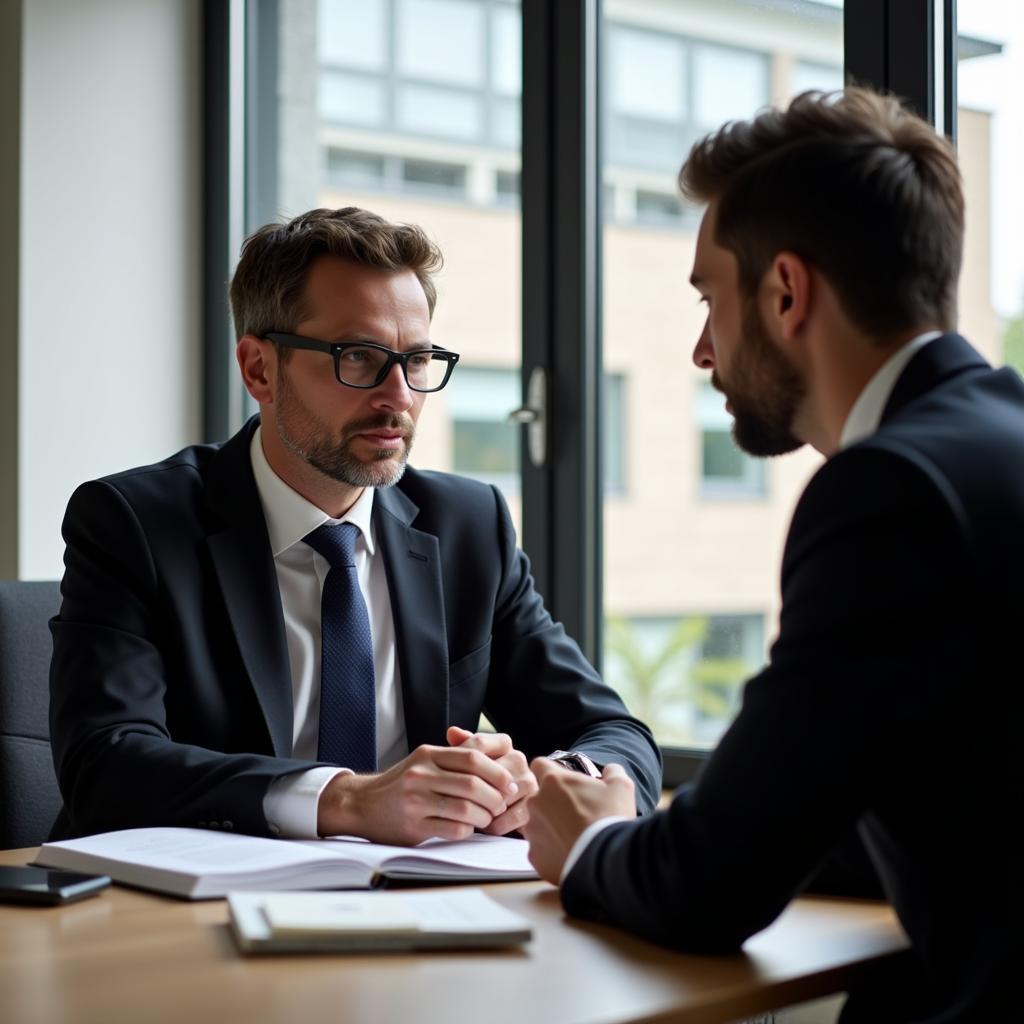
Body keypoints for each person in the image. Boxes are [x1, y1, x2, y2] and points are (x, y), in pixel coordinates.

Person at [521, 87, 1024, 1022]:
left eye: (711, 297)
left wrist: (591, 845)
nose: (704, 350)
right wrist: (707, 826)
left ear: (786, 292)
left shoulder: (894, 492)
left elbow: (706, 893)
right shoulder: (998, 443)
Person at [48, 206, 661, 846]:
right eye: (360, 358)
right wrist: (346, 800)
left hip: (423, 908)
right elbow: (104, 765)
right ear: (259, 368)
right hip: (190, 921)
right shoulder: (135, 524)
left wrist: (552, 784)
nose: (398, 396)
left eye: (417, 360)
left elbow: (614, 733)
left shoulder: (469, 527)